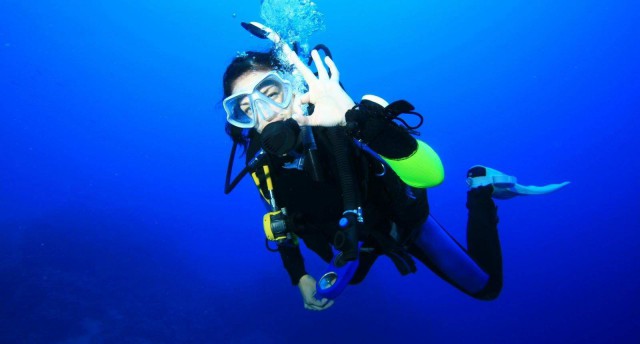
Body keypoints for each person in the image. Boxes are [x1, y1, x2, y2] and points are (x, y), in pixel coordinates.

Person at [221, 48, 569, 311]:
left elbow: (432, 174)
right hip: (355, 242)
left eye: (271, 94)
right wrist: (298, 275)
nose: (265, 116)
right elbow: (279, 220)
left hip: (403, 225)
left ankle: (480, 188)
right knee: (352, 278)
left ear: (294, 88)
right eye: (247, 109)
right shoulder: (260, 163)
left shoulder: (342, 123)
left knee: (487, 289)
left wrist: (356, 120)